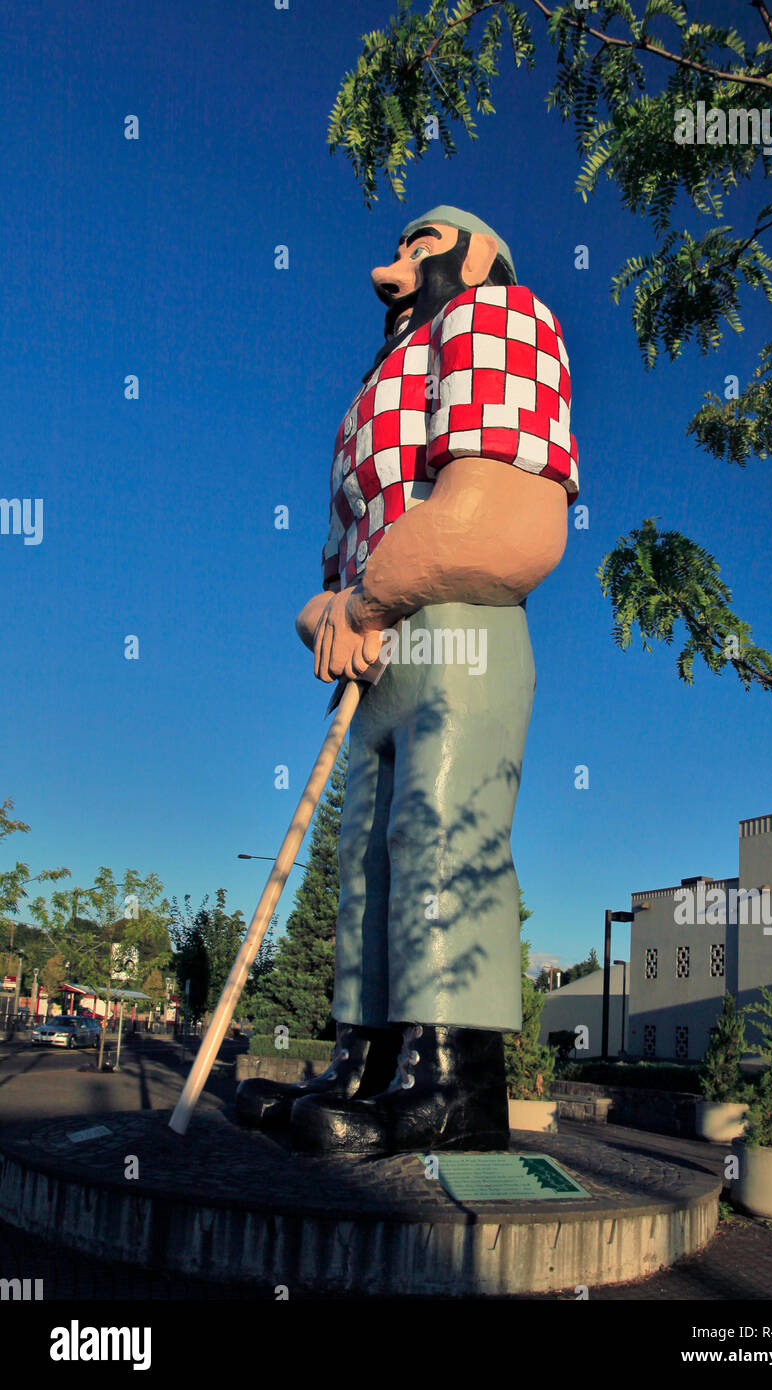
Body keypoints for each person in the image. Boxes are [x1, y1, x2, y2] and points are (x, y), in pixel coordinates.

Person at [237, 207, 579, 1153]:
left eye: (421, 250)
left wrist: (369, 597)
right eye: (395, 253)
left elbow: (509, 523)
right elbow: (333, 579)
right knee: (364, 865)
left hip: (460, 636)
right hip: (380, 658)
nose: (391, 277)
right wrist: (329, 614)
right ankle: (364, 1060)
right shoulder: (367, 403)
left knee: (437, 832)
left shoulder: (498, 321)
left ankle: (451, 1083)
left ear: (478, 258)